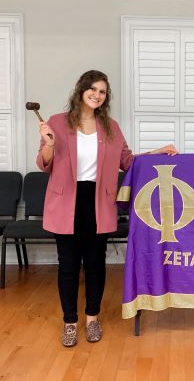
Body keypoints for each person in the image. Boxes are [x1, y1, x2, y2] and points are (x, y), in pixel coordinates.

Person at [36, 70, 178, 347]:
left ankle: (92, 319)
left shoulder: (110, 127)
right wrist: (49, 145)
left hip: (98, 202)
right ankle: (69, 323)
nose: (97, 95)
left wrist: (157, 152)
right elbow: (44, 164)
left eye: (102, 92)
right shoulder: (56, 122)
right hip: (65, 202)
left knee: (95, 264)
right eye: (93, 89)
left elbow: (128, 161)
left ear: (105, 97)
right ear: (81, 90)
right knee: (67, 265)